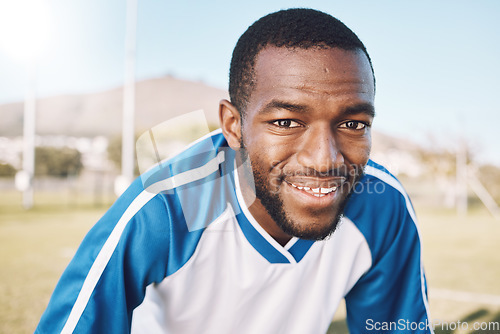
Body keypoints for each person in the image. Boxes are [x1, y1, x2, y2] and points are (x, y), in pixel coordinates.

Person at [36, 8, 432, 334]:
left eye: (353, 124)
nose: (324, 159)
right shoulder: (165, 209)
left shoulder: (382, 208)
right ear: (233, 126)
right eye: (286, 122)